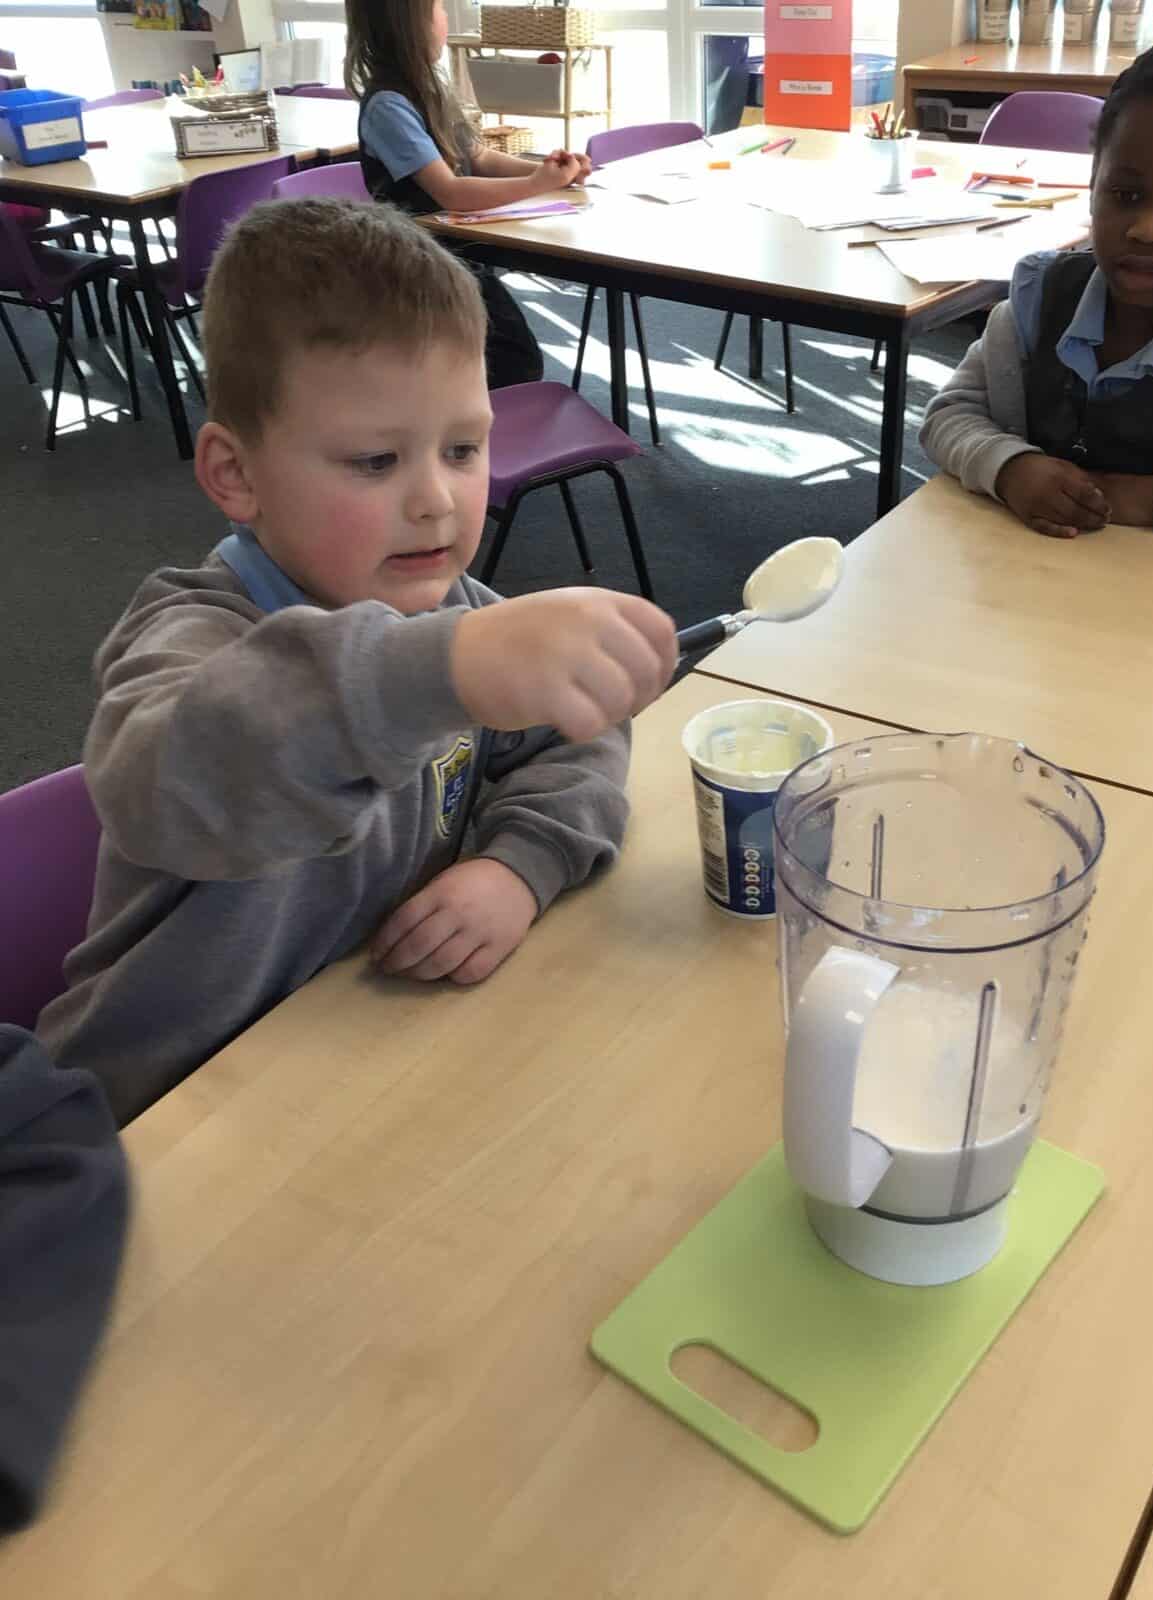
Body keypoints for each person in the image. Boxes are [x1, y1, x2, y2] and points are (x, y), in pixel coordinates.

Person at [37, 199, 678, 1127]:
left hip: (353, 1056)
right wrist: (443, 674)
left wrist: (520, 864)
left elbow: (581, 739)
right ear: (236, 475)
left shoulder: (452, 612)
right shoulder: (193, 632)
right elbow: (169, 782)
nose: (437, 500)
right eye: (377, 461)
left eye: (463, 448)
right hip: (154, 1112)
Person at [920, 32, 1153, 540]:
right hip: (1017, 573)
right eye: (1126, 194)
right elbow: (948, 414)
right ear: (1092, 186)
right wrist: (1008, 467)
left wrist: (1149, 497)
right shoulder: (1038, 301)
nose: (1149, 230)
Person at [346, 0, 592, 390]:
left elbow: (479, 157)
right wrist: (538, 183)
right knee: (514, 360)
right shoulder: (387, 105)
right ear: (409, 25)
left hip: (460, 249)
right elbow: (451, 192)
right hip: (423, 261)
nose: (445, 18)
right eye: (438, 9)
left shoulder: (429, 86)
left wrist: (555, 173)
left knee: (514, 358)